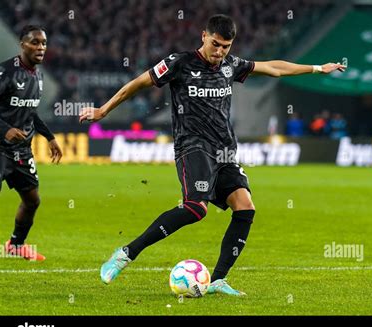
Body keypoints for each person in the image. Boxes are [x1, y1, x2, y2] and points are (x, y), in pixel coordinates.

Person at [79, 14, 345, 295]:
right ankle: (125, 254)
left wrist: (317, 68)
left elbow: (273, 68)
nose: (219, 52)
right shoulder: (179, 63)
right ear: (203, 36)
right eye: (215, 44)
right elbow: (139, 83)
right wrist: (103, 110)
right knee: (196, 209)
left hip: (225, 151)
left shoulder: (231, 66)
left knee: (245, 207)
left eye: (226, 47)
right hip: (192, 146)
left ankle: (218, 279)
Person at [0, 25, 63, 261]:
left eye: (44, 43)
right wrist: (6, 130)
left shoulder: (38, 75)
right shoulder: (5, 73)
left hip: (21, 151)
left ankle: (15, 245)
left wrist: (50, 137)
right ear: (22, 44)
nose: (40, 47)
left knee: (32, 200)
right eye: (35, 42)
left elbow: (30, 112)